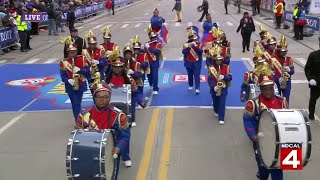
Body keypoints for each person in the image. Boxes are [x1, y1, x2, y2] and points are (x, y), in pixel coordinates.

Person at [75, 82, 132, 168]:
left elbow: (125, 136)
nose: (102, 99)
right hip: (90, 150)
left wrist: (118, 148)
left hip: (110, 151)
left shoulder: (119, 115)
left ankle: (126, 157)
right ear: (94, 98)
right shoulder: (83, 115)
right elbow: (77, 136)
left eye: (105, 97)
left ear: (110, 98)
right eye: (99, 97)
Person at [243, 75, 287, 180]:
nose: (268, 91)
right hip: (261, 141)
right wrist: (253, 136)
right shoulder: (252, 104)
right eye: (265, 89)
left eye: (270, 88)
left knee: (277, 169)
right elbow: (247, 120)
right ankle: (262, 174)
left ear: (273, 88)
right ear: (260, 89)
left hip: (278, 140)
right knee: (263, 169)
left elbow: (287, 119)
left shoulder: (282, 101)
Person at [105, 48, 147, 127]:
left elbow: (136, 93)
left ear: (122, 68)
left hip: (125, 111)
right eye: (115, 67)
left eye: (119, 67)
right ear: (112, 68)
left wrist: (141, 102)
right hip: (111, 112)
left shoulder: (129, 80)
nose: (117, 69)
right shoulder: (107, 81)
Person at [60, 38, 89, 121]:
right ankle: (78, 118)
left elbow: (87, 72)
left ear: (76, 51)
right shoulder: (63, 62)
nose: (72, 54)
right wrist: (68, 80)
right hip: (70, 86)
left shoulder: (82, 59)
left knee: (77, 103)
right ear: (68, 52)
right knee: (74, 103)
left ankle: (78, 120)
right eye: (70, 52)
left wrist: (80, 70)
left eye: (74, 52)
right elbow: (62, 76)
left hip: (80, 84)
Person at [208, 47, 232, 125]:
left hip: (223, 88)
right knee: (215, 102)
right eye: (217, 60)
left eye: (220, 60)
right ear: (215, 60)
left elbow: (230, 77)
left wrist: (224, 77)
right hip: (214, 88)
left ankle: (221, 118)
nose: (219, 61)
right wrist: (214, 86)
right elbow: (209, 79)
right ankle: (216, 110)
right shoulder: (211, 68)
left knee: (222, 103)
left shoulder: (226, 67)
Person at [272, 36, 295, 104]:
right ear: (278, 51)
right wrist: (277, 79)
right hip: (276, 82)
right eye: (282, 51)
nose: (284, 53)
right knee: (276, 99)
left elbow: (293, 71)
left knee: (286, 100)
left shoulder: (288, 59)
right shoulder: (273, 59)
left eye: (285, 51)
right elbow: (270, 72)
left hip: (287, 82)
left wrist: (289, 70)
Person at [182, 26, 203, 94]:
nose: (192, 39)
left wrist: (195, 46)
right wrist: (189, 47)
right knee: (190, 74)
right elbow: (184, 52)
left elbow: (201, 51)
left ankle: (197, 88)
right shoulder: (186, 44)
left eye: (193, 37)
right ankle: (190, 85)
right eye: (191, 37)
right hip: (188, 62)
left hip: (197, 62)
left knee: (197, 75)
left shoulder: (199, 44)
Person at [304, 37, 320, 120]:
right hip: (316, 82)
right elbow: (307, 68)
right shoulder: (313, 55)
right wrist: (310, 79)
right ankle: (311, 114)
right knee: (313, 99)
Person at [144, 29, 163, 95]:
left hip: (155, 62)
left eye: (155, 37)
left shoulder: (159, 44)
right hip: (148, 62)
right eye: (152, 37)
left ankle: (155, 88)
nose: (154, 38)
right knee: (149, 75)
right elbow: (144, 52)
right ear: (150, 38)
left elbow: (157, 52)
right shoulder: (147, 43)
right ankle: (151, 83)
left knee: (155, 75)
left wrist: (149, 48)